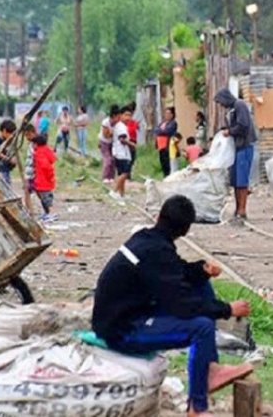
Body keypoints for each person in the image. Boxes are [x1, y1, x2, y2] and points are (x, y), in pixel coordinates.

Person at [92, 195, 253, 417]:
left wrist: (200, 270)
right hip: (122, 329)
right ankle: (197, 406)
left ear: (158, 216)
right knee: (202, 327)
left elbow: (174, 273)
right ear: (185, 231)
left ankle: (211, 369)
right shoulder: (156, 251)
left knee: (200, 286)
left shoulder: (148, 240)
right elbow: (182, 304)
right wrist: (227, 309)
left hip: (132, 311)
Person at [214, 89, 257, 223]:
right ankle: (238, 209)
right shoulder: (232, 109)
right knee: (236, 180)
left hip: (244, 146)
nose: (222, 105)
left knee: (242, 180)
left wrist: (230, 132)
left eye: (221, 102)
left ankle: (242, 210)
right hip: (237, 148)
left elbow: (243, 126)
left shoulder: (240, 105)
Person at [109, 111, 135, 204]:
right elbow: (122, 139)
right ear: (121, 116)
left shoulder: (120, 126)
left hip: (119, 152)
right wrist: (132, 144)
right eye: (126, 115)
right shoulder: (121, 127)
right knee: (125, 173)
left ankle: (122, 194)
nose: (128, 117)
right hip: (122, 153)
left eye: (130, 115)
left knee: (121, 174)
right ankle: (114, 191)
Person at [32, 134, 58, 223]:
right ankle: (48, 213)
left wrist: (49, 176)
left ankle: (52, 213)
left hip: (43, 181)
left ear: (36, 144)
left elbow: (46, 167)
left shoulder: (39, 154)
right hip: (45, 180)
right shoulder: (47, 151)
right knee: (45, 198)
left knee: (46, 198)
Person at [99, 105, 121, 183]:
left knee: (113, 160)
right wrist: (112, 133)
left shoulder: (118, 124)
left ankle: (111, 177)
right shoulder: (106, 122)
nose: (119, 119)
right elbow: (106, 135)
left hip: (113, 143)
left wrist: (112, 133)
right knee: (108, 160)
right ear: (113, 116)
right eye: (118, 117)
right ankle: (105, 177)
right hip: (104, 142)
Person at [0, 119, 17, 185]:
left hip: (5, 168)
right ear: (5, 131)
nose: (11, 136)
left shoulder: (5, 140)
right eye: (10, 133)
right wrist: (8, 159)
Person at [154, 107, 178, 177]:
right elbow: (156, 130)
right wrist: (160, 131)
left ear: (172, 115)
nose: (167, 115)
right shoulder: (162, 123)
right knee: (163, 162)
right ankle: (165, 175)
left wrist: (160, 131)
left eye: (168, 113)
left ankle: (168, 176)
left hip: (168, 146)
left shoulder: (173, 123)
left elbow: (167, 131)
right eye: (166, 113)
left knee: (168, 163)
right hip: (160, 146)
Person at [22, 123, 37, 211]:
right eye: (26, 135)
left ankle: (31, 210)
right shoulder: (31, 144)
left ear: (33, 132)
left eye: (28, 135)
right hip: (29, 172)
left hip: (34, 172)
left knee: (33, 191)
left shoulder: (36, 144)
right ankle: (29, 210)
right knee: (27, 191)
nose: (27, 137)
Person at [124, 103, 139, 174]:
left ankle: (128, 173)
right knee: (129, 157)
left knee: (132, 157)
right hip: (128, 140)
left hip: (133, 139)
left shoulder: (133, 122)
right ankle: (127, 173)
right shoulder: (125, 122)